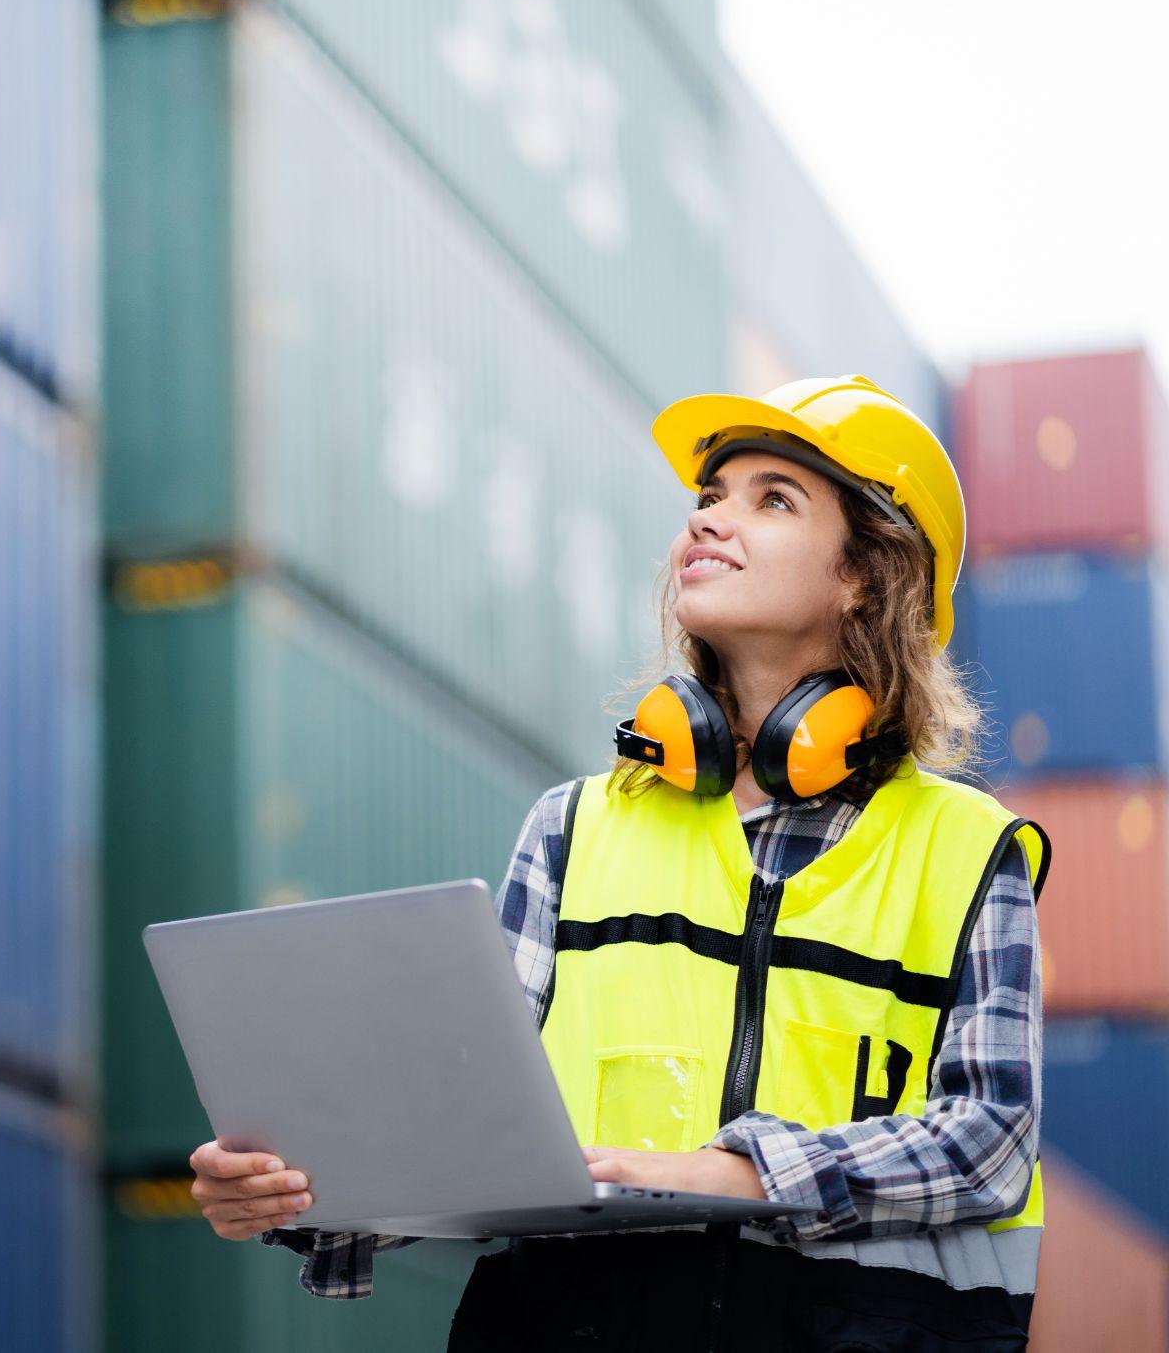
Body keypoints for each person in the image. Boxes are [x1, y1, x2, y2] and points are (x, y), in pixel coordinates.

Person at [187, 375, 1050, 1351]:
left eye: (771, 499)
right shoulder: (573, 827)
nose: (711, 521)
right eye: (706, 498)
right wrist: (302, 1189)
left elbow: (990, 1144)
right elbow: (469, 1139)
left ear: (864, 575)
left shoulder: (966, 848)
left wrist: (740, 1175)